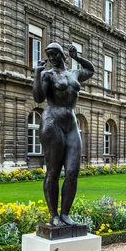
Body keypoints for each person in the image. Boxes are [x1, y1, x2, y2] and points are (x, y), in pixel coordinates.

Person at [32, 43, 94, 227]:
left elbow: (90, 70)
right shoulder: (47, 75)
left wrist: (77, 57)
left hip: (71, 124)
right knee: (53, 171)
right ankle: (54, 215)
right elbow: (38, 98)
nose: (51, 58)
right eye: (48, 54)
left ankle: (65, 214)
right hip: (52, 122)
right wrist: (37, 73)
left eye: (54, 54)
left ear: (61, 54)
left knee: (73, 171)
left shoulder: (74, 74)